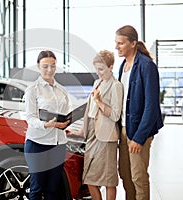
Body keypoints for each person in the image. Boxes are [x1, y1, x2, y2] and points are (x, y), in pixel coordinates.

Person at [115, 25, 164, 200]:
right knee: (125, 175)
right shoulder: (123, 66)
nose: (117, 47)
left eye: (120, 43)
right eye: (116, 43)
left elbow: (152, 106)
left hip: (138, 131)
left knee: (138, 177)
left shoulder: (146, 65)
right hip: (123, 128)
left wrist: (139, 138)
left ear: (133, 43)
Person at [73, 50, 123, 200]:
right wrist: (83, 129)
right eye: (96, 69)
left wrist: (100, 102)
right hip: (92, 134)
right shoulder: (97, 83)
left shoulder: (116, 86)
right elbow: (90, 109)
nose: (98, 73)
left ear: (111, 67)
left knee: (108, 180)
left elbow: (115, 115)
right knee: (89, 177)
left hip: (106, 137)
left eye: (101, 69)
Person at [24, 50, 71, 200]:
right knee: (37, 187)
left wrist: (66, 123)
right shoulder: (33, 89)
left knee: (53, 189)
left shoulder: (62, 90)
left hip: (58, 143)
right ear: (38, 66)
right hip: (37, 143)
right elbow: (30, 118)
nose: (49, 70)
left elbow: (65, 112)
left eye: (53, 66)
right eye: (45, 66)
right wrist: (46, 125)